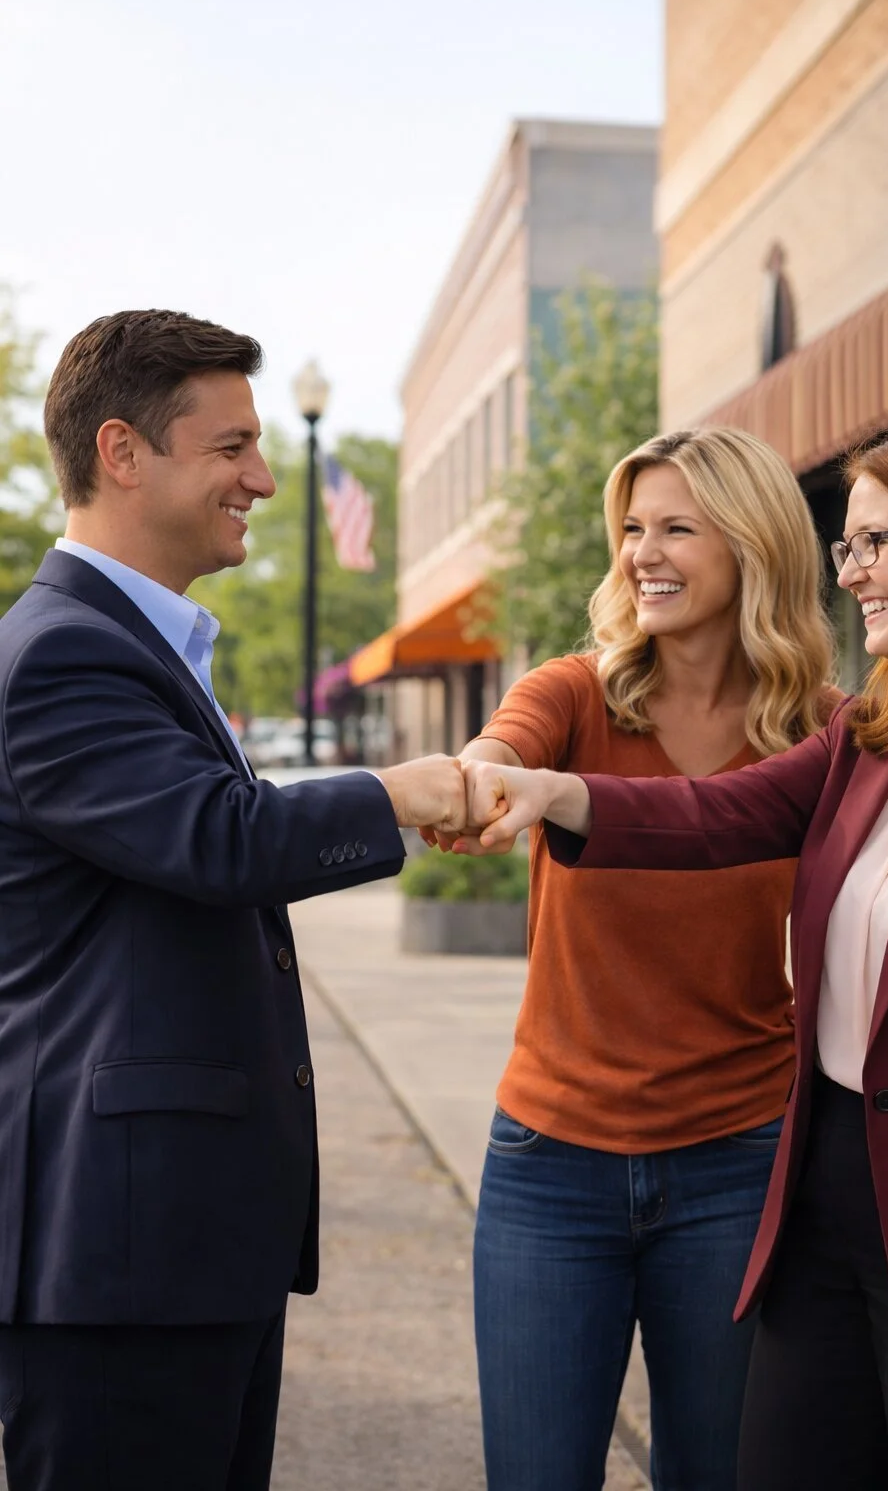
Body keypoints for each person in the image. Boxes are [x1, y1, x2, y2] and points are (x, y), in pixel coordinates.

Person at [459, 421, 888, 1491]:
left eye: (872, 543)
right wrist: (521, 785)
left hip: (881, 1207)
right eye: (844, 546)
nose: (849, 569)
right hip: (757, 1194)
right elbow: (703, 817)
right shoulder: (867, 746)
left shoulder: (866, 730)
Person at [0, 309, 467, 1491]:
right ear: (122, 453)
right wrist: (405, 790)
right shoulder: (63, 653)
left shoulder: (135, 646)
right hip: (113, 1258)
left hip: (181, 1251)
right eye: (230, 449)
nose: (262, 478)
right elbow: (221, 839)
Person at [428, 427, 836, 1490]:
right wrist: (478, 783)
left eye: (676, 529)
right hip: (550, 1164)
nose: (641, 554)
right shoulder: (573, 693)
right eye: (630, 531)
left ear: (753, 544)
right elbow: (499, 748)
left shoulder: (824, 735)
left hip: (738, 1163)